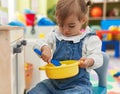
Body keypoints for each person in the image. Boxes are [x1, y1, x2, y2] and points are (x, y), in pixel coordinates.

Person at [27, 0, 103, 94]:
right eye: (61, 25)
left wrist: (89, 61)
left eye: (71, 26)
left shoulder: (89, 39)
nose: (65, 30)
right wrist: (44, 47)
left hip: (78, 85)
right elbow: (38, 43)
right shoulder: (55, 35)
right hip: (53, 84)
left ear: (83, 20)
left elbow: (98, 57)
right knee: (34, 92)